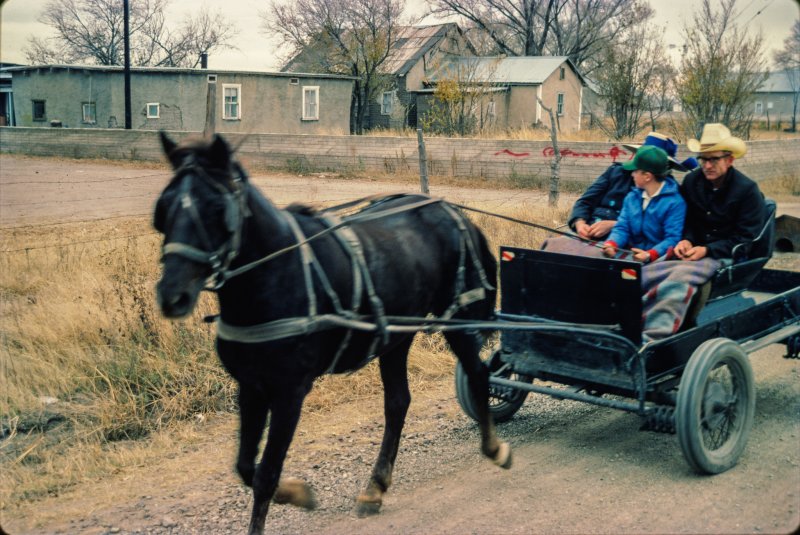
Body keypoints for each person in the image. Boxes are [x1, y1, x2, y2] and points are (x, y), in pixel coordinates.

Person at [568, 132, 696, 241]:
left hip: (624, 243)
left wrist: (614, 225)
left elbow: (658, 229)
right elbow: (585, 201)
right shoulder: (615, 172)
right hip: (589, 233)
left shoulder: (670, 194)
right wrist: (580, 223)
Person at [674, 123, 767, 261]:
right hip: (692, 252)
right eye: (703, 159)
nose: (707, 166)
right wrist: (686, 240)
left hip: (728, 257)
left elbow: (746, 239)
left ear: (730, 160)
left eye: (714, 159)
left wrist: (707, 250)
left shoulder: (747, 190)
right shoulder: (691, 182)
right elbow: (687, 220)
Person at [601, 145, 686, 263]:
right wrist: (612, 243)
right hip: (630, 255)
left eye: (635, 171)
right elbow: (622, 227)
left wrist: (650, 254)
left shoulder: (675, 203)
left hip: (658, 261)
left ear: (647, 176)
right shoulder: (631, 198)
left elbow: (672, 238)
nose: (632, 174)